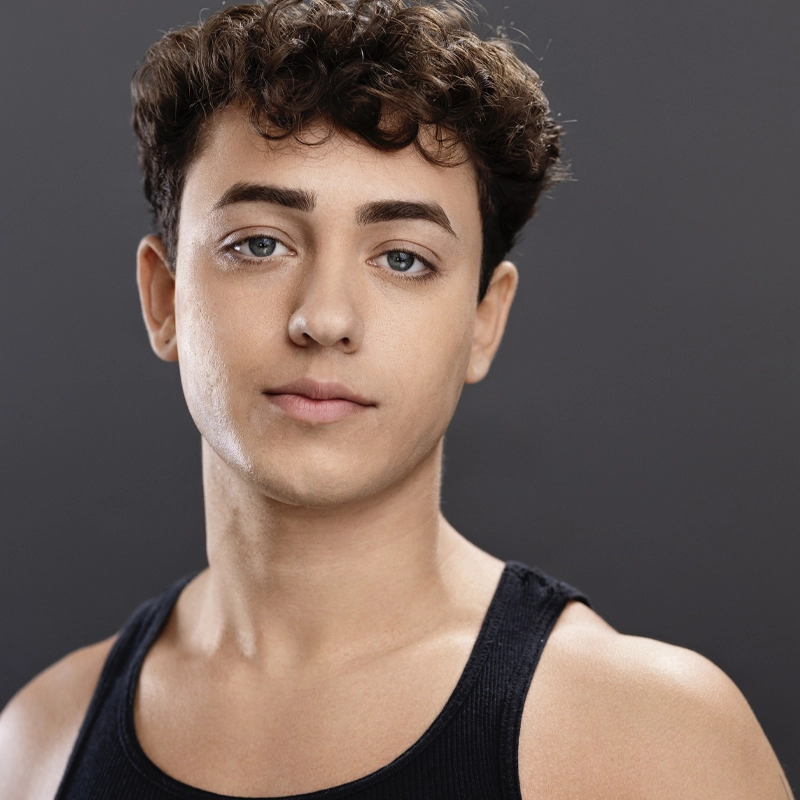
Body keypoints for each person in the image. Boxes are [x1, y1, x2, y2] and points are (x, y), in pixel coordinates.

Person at [0, 1, 792, 797]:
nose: (325, 319)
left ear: (484, 321)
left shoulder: (650, 744)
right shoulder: (38, 748)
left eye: (404, 259)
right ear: (164, 298)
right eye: (260, 244)